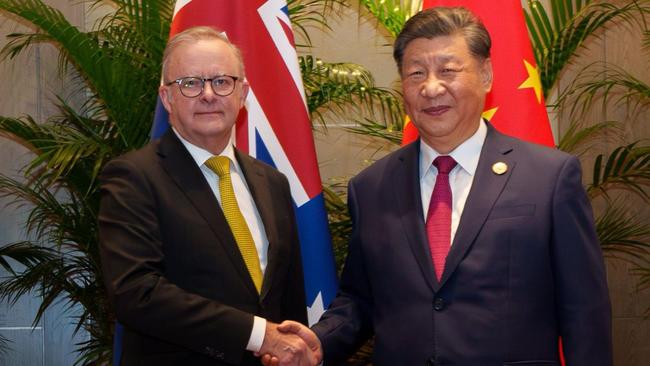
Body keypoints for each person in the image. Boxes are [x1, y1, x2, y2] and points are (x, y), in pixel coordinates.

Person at [265, 6, 612, 366]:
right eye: (416, 73)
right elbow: (361, 299)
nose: (431, 87)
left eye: (448, 70)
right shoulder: (371, 187)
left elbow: (584, 313)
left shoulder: (550, 177)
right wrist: (320, 343)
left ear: (487, 74)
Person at [99, 26, 319, 366]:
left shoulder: (272, 182)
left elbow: (287, 301)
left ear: (242, 93)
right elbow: (137, 293)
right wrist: (260, 335)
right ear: (166, 97)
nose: (208, 95)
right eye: (190, 83)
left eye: (221, 81)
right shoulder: (133, 177)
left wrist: (291, 346)